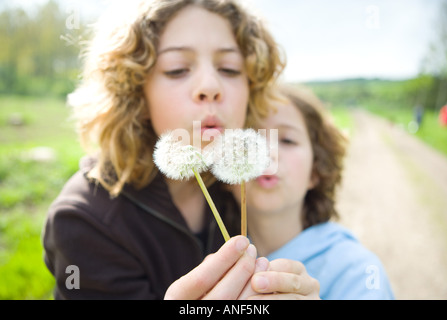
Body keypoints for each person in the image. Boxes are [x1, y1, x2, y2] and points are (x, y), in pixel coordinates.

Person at [43, 0, 319, 300]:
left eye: (229, 68)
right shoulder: (83, 222)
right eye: (177, 70)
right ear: (134, 92)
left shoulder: (239, 187)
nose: (210, 85)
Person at [231, 84, 395, 300]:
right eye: (249, 140)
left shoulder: (357, 271)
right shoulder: (204, 260)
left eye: (287, 140)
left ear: (315, 172)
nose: (266, 153)